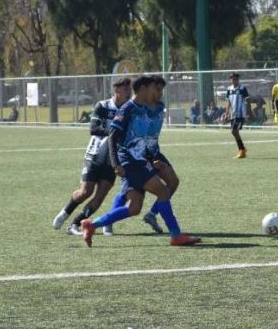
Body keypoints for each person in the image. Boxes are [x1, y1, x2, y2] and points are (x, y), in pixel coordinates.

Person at [80, 75, 201, 247]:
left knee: (134, 208)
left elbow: (145, 139)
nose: (157, 93)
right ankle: (176, 235)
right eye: (154, 88)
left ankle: (91, 224)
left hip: (140, 160)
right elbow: (113, 137)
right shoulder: (128, 109)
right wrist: (116, 165)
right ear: (144, 89)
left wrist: (152, 160)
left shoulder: (145, 109)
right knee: (164, 192)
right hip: (131, 161)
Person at [53, 78, 154, 237]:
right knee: (85, 191)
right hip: (95, 153)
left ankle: (76, 224)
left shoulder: (131, 109)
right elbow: (93, 129)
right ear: (116, 90)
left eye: (130, 89)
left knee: (100, 196)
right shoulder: (103, 106)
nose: (129, 92)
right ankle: (65, 212)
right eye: (126, 89)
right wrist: (114, 133)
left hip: (114, 158)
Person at [224, 72, 251, 158]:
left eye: (235, 79)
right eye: (232, 79)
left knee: (234, 131)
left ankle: (242, 150)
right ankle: (242, 149)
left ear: (238, 79)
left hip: (240, 114)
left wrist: (248, 112)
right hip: (233, 114)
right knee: (235, 132)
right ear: (231, 80)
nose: (234, 80)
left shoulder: (242, 88)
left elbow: (247, 100)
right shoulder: (229, 89)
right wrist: (226, 113)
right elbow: (228, 102)